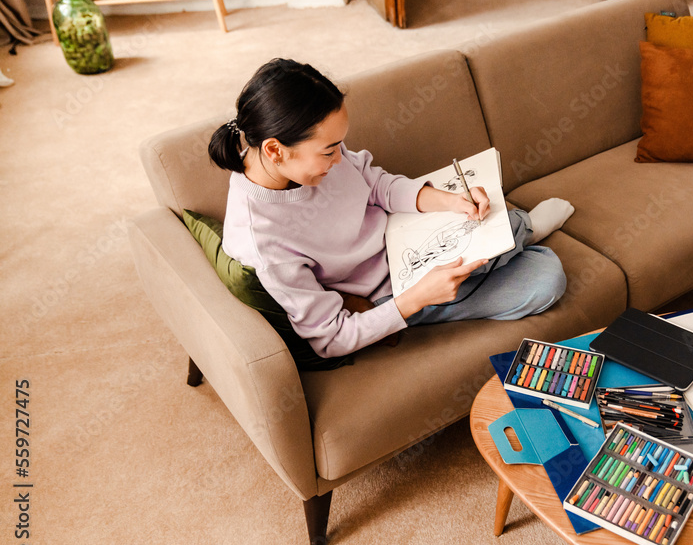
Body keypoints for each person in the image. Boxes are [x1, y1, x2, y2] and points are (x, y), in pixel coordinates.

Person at [207, 58, 574, 359]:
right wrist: (418, 298)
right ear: (274, 150)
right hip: (392, 290)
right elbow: (330, 338)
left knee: (491, 217)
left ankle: (516, 231)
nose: (340, 158)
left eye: (341, 145)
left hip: (404, 233)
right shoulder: (261, 239)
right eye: (329, 151)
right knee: (545, 279)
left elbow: (377, 184)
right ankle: (521, 232)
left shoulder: (310, 155)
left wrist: (448, 201)